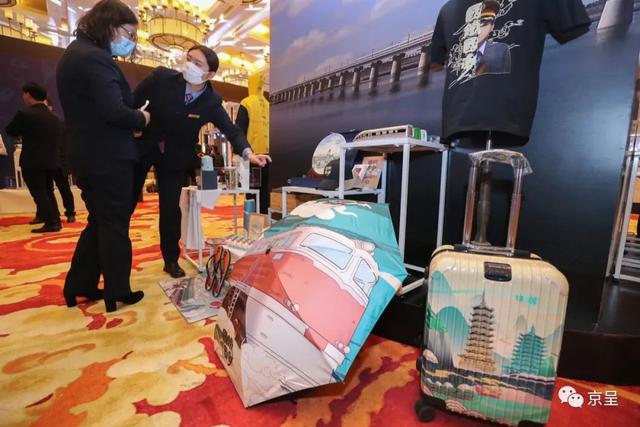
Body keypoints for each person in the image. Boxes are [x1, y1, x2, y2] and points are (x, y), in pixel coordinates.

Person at [132, 45, 271, 278]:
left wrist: (248, 153)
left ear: (210, 74)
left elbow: (231, 130)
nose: (189, 65)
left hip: (175, 159)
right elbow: (133, 100)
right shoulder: (162, 77)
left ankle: (170, 260)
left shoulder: (211, 101)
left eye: (197, 63)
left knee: (171, 210)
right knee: (124, 204)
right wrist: (133, 122)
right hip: (142, 148)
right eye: (189, 59)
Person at [56, 0, 150, 312]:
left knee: (99, 221)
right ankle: (117, 290)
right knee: (114, 224)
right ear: (109, 25)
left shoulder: (74, 53)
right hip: (108, 156)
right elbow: (113, 111)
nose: (131, 42)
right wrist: (141, 118)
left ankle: (79, 285)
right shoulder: (95, 58)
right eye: (128, 34)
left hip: (87, 154)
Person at [5, 82, 62, 233]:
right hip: (51, 160)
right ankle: (55, 220)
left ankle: (52, 222)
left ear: (28, 95)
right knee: (48, 191)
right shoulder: (53, 117)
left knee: (39, 193)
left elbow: (10, 130)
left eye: (24, 93)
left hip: (32, 160)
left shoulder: (24, 114)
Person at [236, 72, 270, 214]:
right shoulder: (268, 104)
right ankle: (265, 219)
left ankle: (252, 220)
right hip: (268, 156)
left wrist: (238, 153)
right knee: (265, 192)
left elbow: (239, 131)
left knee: (251, 192)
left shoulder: (246, 103)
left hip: (252, 157)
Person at [475, 0, 511, 77]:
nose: (478, 30)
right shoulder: (459, 55)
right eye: (474, 24)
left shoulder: (500, 51)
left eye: (484, 24)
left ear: (492, 27)